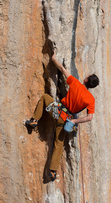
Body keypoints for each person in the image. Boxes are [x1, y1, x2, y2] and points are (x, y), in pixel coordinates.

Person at [26, 51, 99, 181]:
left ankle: (34, 120)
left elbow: (61, 69)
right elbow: (89, 117)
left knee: (44, 97)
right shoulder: (91, 100)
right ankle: (53, 171)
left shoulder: (76, 83)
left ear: (86, 80)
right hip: (65, 120)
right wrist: (74, 121)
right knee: (58, 144)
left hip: (57, 110)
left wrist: (53, 58)